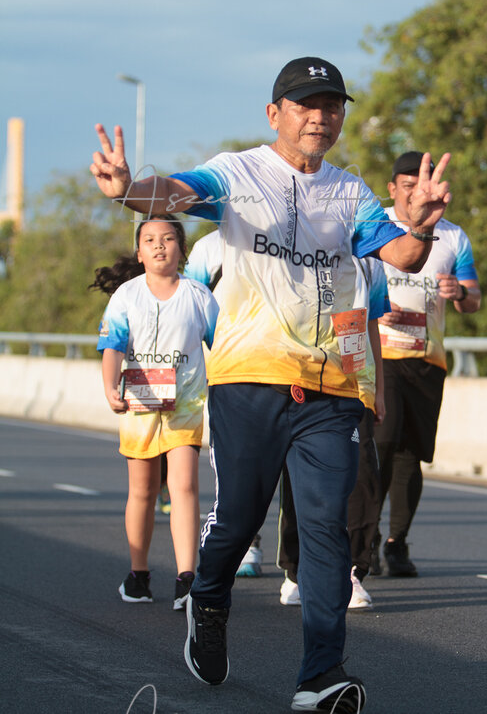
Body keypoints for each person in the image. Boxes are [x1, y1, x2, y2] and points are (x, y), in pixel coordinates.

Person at [91, 56, 451, 714]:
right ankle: (208, 598)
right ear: (274, 114)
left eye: (332, 105)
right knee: (238, 519)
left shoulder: (351, 193)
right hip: (248, 380)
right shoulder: (236, 173)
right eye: (306, 104)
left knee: (324, 528)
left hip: (329, 390)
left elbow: (400, 254)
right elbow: (172, 194)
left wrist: (421, 225)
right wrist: (127, 189)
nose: (321, 117)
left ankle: (320, 675)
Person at [93, 215, 218, 609]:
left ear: (182, 249)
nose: (159, 246)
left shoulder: (199, 295)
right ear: (139, 253)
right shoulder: (126, 296)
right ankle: (138, 575)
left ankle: (186, 579)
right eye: (150, 240)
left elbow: (222, 345)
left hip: (185, 405)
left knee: (184, 488)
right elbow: (112, 347)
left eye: (168, 238)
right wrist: (110, 387)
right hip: (140, 405)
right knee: (143, 490)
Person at [373, 151, 481, 578]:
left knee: (410, 454)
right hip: (379, 357)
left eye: (423, 186)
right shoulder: (374, 225)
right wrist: (373, 311)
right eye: (407, 186)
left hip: (427, 359)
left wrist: (459, 292)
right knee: (381, 445)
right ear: (392, 188)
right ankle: (362, 539)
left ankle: (396, 544)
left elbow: (473, 299)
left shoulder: (452, 236)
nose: (416, 194)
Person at [278, 256, 388, 611]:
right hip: (304, 378)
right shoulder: (298, 249)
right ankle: (296, 569)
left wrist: (380, 389)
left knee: (362, 476)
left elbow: (372, 326)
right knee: (302, 477)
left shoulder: (371, 266)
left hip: (356, 384)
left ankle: (353, 570)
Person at [184, 229, 264, 578]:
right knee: (239, 464)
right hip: (229, 370)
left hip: (285, 365)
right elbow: (188, 308)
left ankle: (296, 567)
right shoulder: (207, 248)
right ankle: (246, 544)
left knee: (289, 471)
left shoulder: (291, 235)